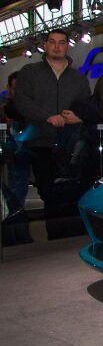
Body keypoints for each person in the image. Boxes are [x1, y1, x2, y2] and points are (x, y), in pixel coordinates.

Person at [14, 28, 91, 239]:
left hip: (71, 144)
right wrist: (46, 116)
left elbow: (88, 105)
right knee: (48, 194)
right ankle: (54, 240)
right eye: (52, 42)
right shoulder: (30, 72)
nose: (57, 46)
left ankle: (70, 240)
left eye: (62, 42)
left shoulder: (78, 78)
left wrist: (78, 116)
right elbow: (21, 101)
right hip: (41, 142)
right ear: (46, 45)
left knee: (71, 192)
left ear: (67, 45)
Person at [0, 72, 33, 245]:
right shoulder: (7, 109)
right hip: (12, 159)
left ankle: (16, 237)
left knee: (14, 201)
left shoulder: (29, 110)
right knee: (13, 201)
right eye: (15, 87)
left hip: (22, 158)